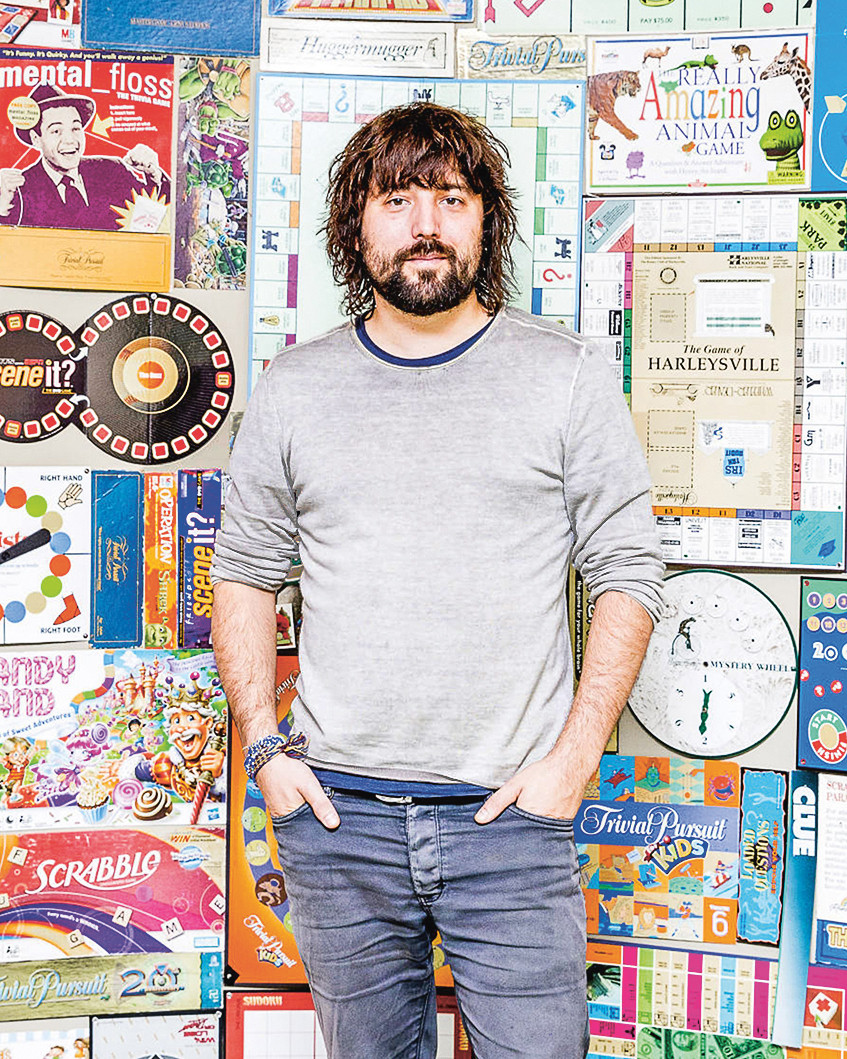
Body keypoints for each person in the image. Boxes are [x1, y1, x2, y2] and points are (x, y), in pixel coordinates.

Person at [211, 102, 665, 1059]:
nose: (426, 224)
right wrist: (264, 752)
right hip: (336, 822)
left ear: (486, 220)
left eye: (451, 199)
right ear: (354, 226)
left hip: (512, 823)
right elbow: (245, 574)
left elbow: (627, 569)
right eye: (397, 200)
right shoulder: (295, 386)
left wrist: (573, 760)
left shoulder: (566, 375)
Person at [0, 82, 169, 231]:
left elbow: (162, 214)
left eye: (75, 128)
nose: (70, 140)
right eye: (56, 131)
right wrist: (2, 208)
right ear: (36, 139)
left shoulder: (111, 170)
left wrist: (154, 174)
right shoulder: (19, 189)